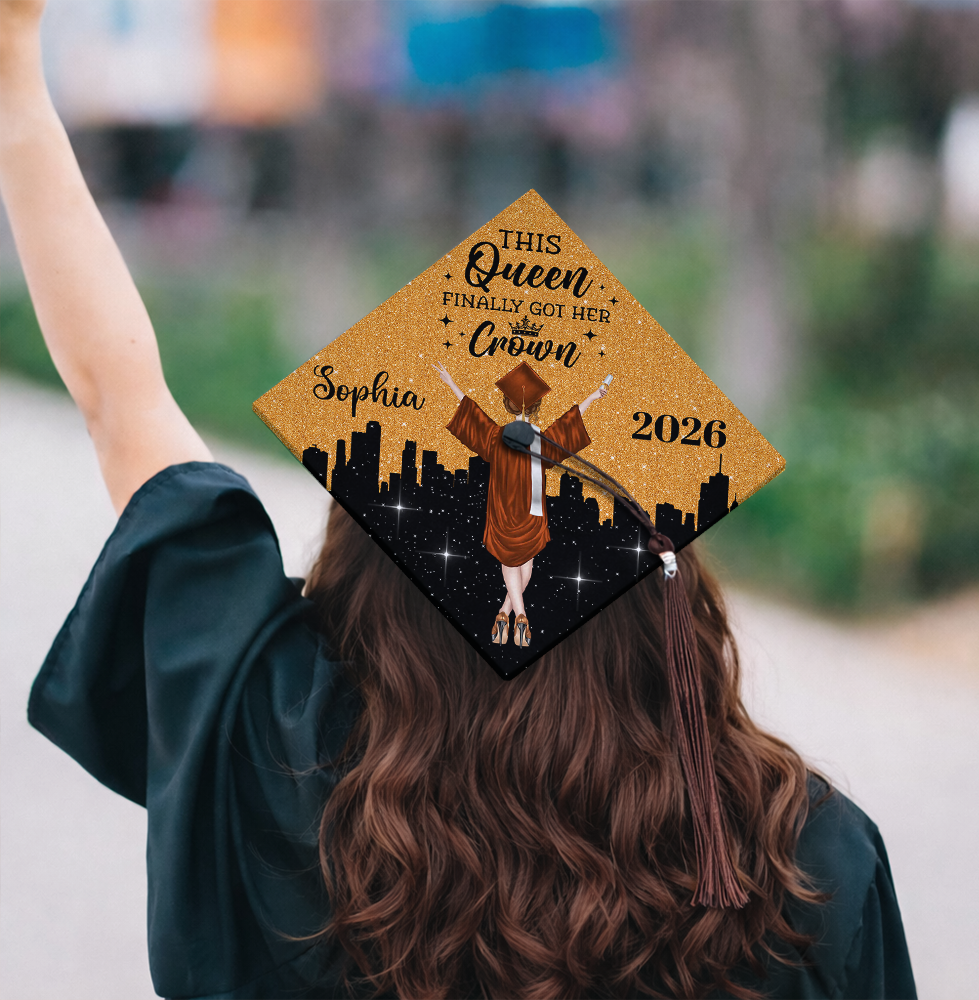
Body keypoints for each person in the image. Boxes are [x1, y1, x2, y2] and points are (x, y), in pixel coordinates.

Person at [1, 3, 917, 998]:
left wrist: (11, 65)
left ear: (369, 563)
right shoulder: (802, 863)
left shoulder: (294, 766)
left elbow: (118, 404)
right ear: (665, 593)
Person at [433, 359, 607, 647]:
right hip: (532, 511)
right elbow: (569, 422)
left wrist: (451, 383)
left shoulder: (495, 437)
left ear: (507, 405)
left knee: (508, 561)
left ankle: (513, 614)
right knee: (526, 560)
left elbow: (471, 411)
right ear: (537, 407)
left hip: (502, 511)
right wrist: (592, 397)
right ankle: (514, 614)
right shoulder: (542, 441)